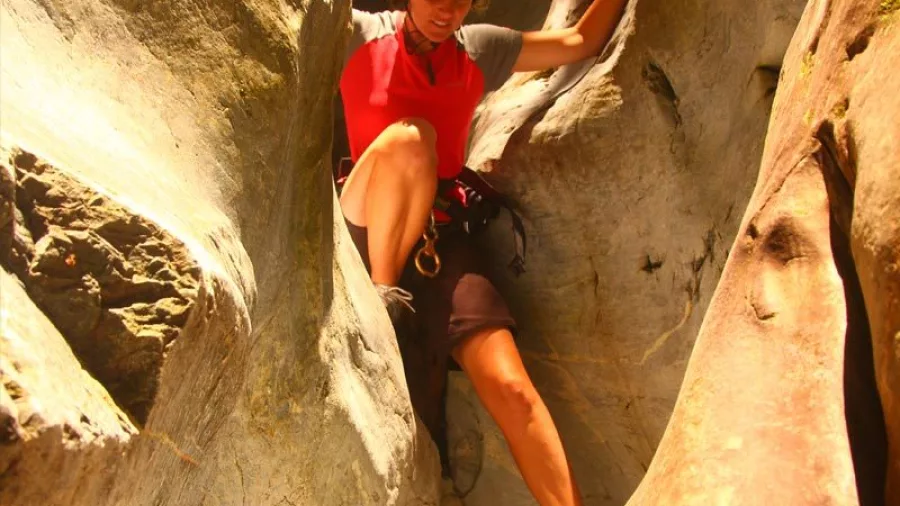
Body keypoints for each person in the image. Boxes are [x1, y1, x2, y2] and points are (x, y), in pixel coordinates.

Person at [337, 1, 625, 504]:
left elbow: (579, 42)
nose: (446, 10)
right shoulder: (355, 34)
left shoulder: (478, 50)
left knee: (512, 388)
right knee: (412, 137)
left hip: (438, 237)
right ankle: (386, 307)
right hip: (364, 226)